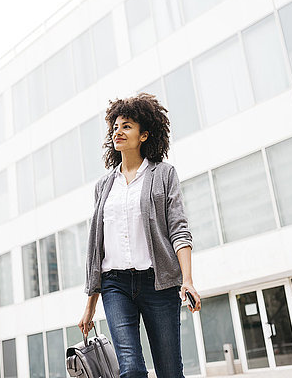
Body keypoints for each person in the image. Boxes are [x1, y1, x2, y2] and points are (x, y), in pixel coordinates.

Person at [78, 92, 201, 378]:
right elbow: (97, 249)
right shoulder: (104, 186)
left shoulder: (163, 174)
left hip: (158, 285)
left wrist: (188, 281)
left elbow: (179, 229)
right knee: (131, 370)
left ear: (144, 135)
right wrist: (89, 306)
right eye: (116, 127)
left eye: (127, 126)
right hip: (115, 285)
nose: (118, 132)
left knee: (170, 371)